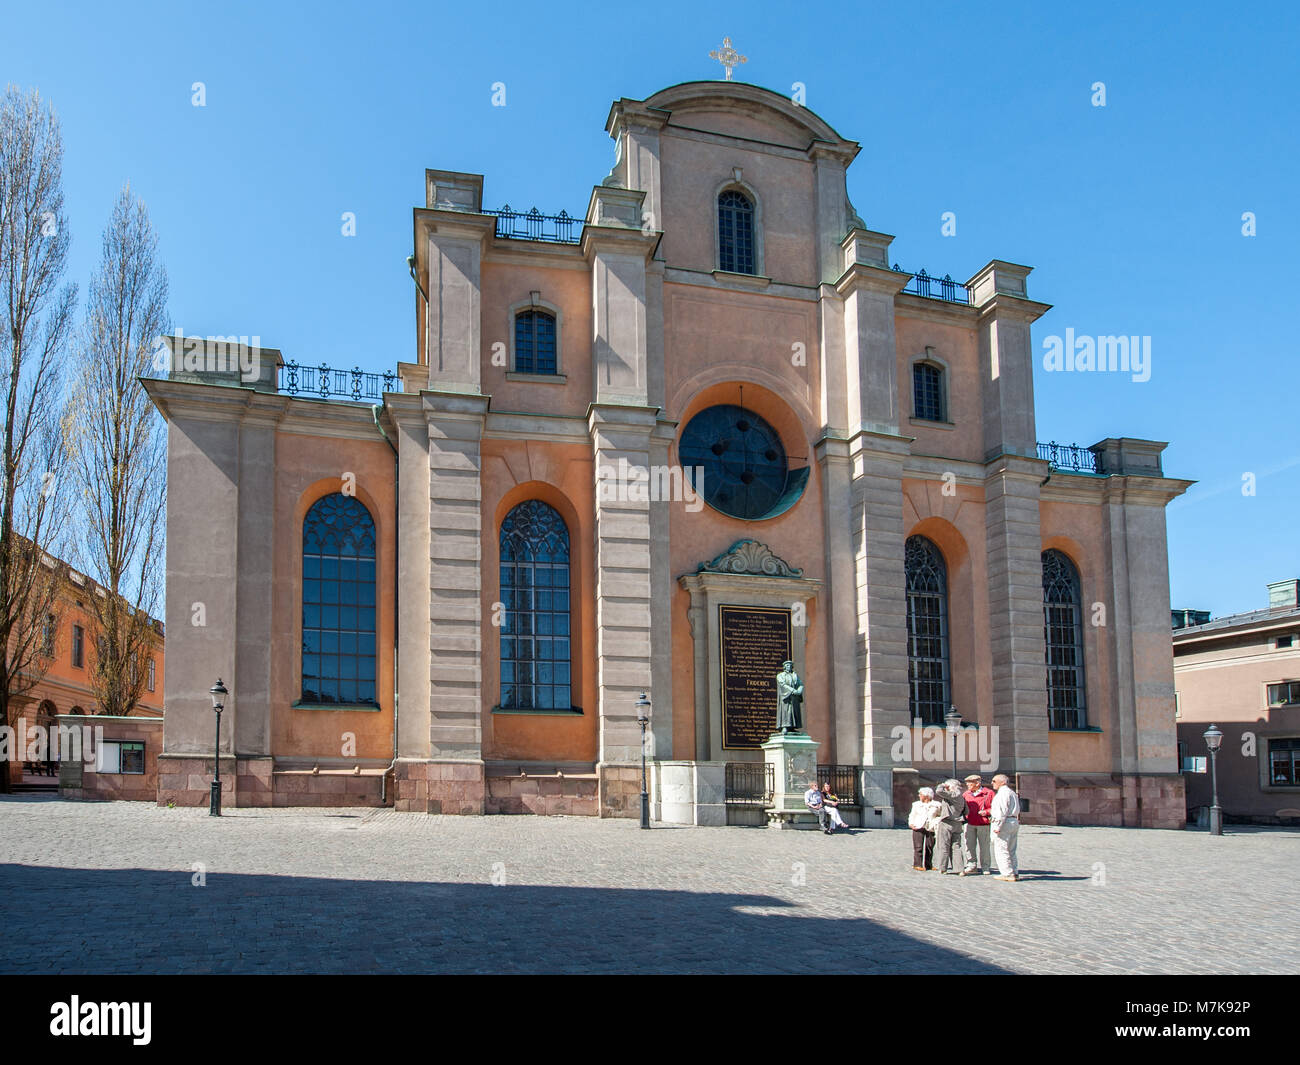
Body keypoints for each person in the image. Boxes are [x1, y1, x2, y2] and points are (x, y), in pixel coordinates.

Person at [960, 773, 995, 875]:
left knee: (984, 846)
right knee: (969, 846)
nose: (968, 785)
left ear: (977, 783)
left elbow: (996, 808)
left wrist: (987, 812)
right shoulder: (966, 794)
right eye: (967, 783)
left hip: (983, 823)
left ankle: (985, 867)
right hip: (969, 823)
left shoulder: (989, 793)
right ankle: (971, 865)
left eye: (970, 783)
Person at [990, 773, 1021, 882]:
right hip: (1013, 820)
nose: (992, 783)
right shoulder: (1011, 792)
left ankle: (1007, 873)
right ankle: (1014, 871)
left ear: (1002, 782)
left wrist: (997, 826)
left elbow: (1001, 811)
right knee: (1011, 849)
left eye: (994, 781)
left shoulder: (1003, 794)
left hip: (1005, 822)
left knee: (1001, 849)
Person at [933, 779, 967, 874]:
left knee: (943, 845)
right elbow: (966, 811)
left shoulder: (953, 794)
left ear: (951, 787)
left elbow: (939, 791)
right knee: (956, 847)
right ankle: (960, 869)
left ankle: (943, 868)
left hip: (947, 822)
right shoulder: (961, 796)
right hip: (958, 823)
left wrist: (943, 785)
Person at [907, 786, 942, 870]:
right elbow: (912, 815)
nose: (919, 795)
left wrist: (937, 821)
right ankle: (917, 864)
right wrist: (911, 824)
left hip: (931, 827)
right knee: (918, 847)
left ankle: (928, 865)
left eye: (921, 794)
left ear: (926, 795)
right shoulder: (916, 804)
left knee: (929, 846)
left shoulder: (937, 805)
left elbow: (940, 815)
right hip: (918, 826)